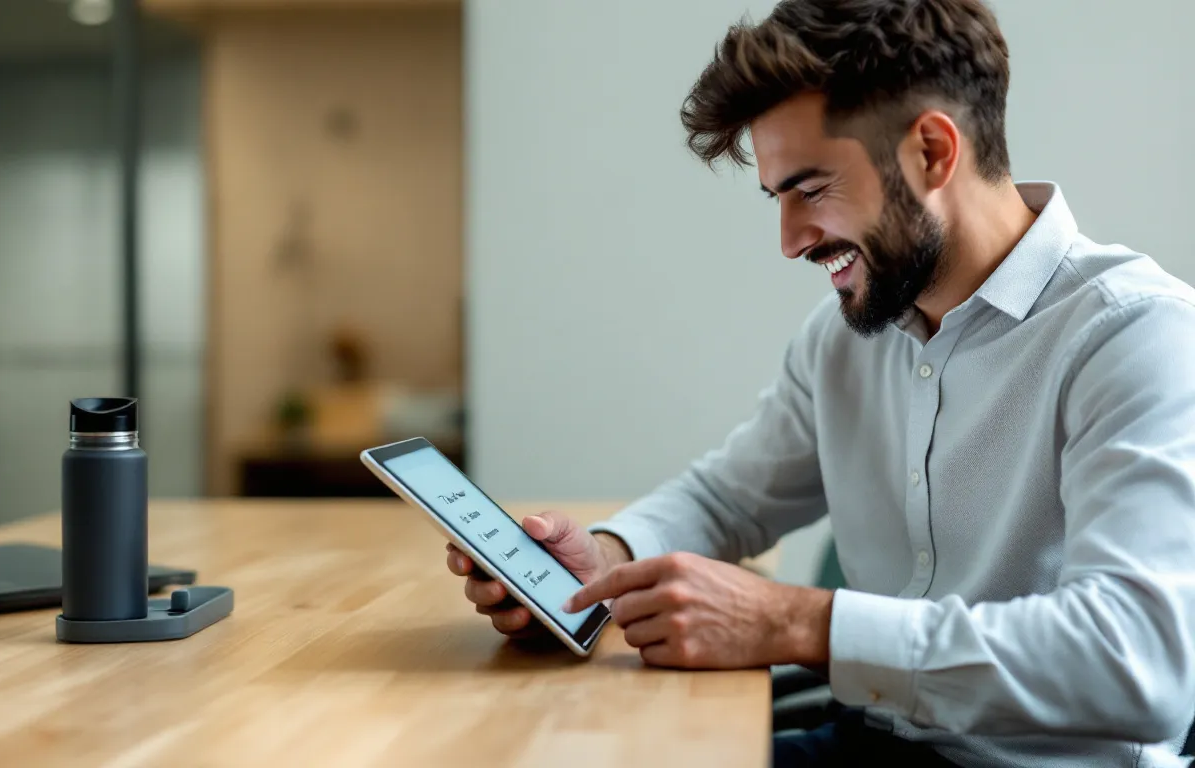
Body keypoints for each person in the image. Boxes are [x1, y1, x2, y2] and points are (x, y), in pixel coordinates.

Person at [448, 0, 1195, 765]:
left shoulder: (1135, 336)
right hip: (870, 743)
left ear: (932, 153)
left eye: (810, 190)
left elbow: (1139, 660)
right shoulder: (845, 339)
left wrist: (798, 625)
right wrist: (600, 564)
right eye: (778, 199)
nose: (790, 241)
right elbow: (727, 499)